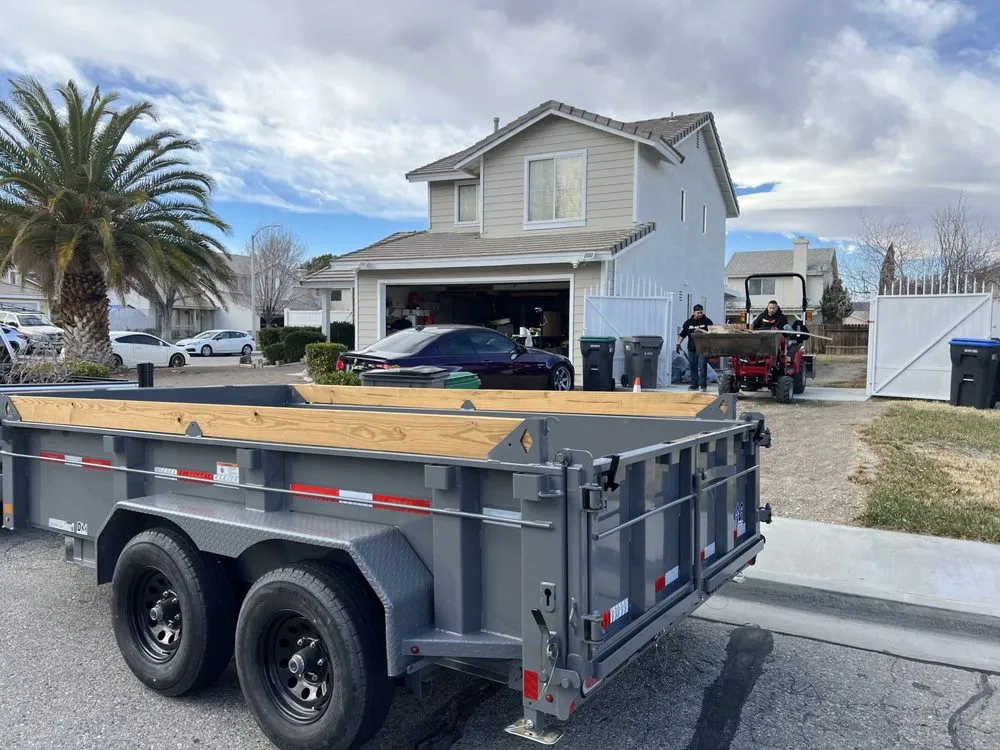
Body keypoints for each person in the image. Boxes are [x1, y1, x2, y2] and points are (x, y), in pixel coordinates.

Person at [677, 304, 713, 390]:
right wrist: (678, 344)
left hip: (703, 348)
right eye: (698, 313)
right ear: (693, 312)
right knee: (693, 366)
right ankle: (694, 385)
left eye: (701, 312)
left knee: (702, 366)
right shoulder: (688, 323)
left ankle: (703, 385)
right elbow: (682, 334)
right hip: (692, 348)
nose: (700, 314)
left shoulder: (707, 321)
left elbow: (712, 333)